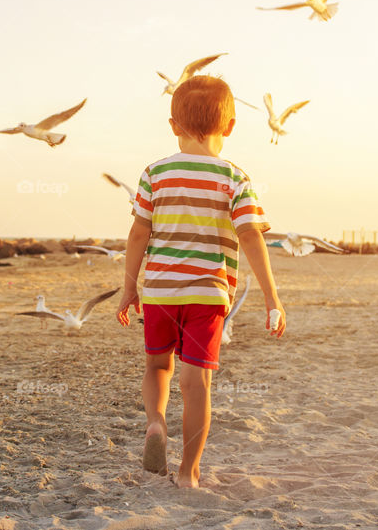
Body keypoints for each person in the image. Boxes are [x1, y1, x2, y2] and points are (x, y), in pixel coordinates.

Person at [115, 75, 285, 488]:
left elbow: (139, 233)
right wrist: (271, 298)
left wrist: (129, 286)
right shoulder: (234, 177)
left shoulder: (155, 172)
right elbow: (250, 237)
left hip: (158, 290)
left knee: (158, 365)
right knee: (197, 383)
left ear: (173, 124)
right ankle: (189, 472)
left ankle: (156, 422)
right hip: (207, 293)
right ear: (229, 127)